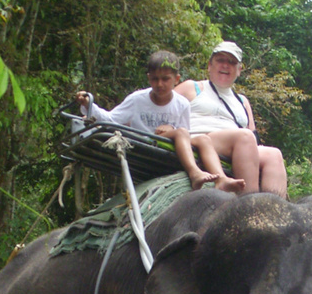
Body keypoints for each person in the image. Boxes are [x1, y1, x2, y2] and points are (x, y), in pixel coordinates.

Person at [75, 51, 245, 193]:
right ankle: (194, 173)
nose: (160, 84)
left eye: (165, 79)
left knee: (203, 139)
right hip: (146, 141)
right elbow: (111, 119)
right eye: (155, 79)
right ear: (149, 78)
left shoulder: (182, 103)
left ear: (176, 79)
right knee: (181, 132)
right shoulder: (137, 99)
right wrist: (88, 106)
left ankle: (221, 178)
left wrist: (171, 129)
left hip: (170, 143)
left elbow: (185, 131)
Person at [175, 41, 287, 197]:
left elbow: (254, 138)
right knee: (244, 137)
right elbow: (163, 106)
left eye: (231, 62)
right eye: (220, 60)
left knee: (273, 154)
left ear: (239, 70)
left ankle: (275, 211)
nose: (225, 66)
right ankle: (248, 205)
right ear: (209, 65)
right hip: (201, 140)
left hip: (241, 146)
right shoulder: (192, 87)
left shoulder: (242, 101)